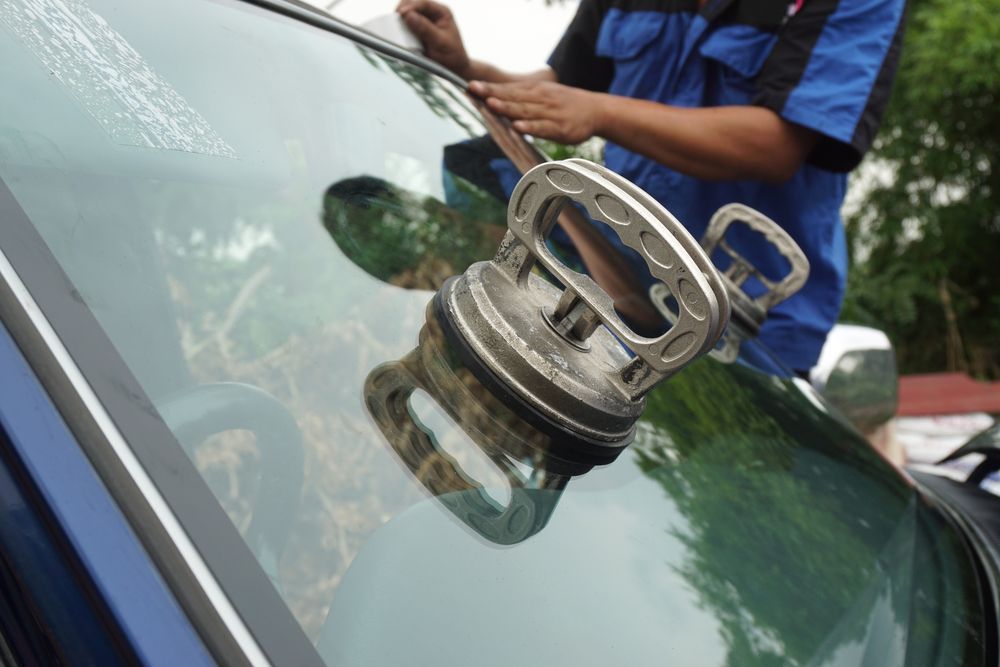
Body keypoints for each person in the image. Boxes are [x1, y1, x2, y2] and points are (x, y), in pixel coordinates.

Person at [396, 0, 906, 373]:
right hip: (605, 280)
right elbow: (561, 88)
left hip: (739, 332)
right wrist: (467, 69)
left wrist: (599, 113)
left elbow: (775, 144)